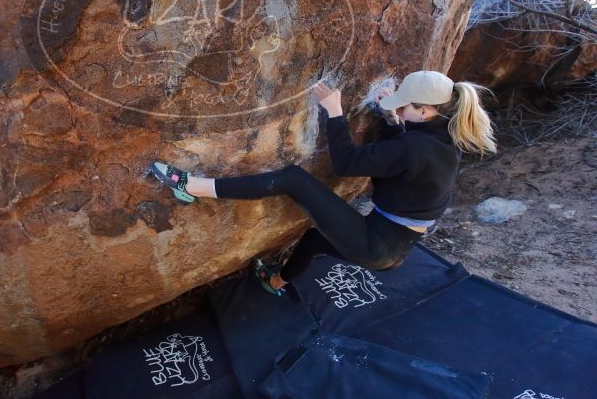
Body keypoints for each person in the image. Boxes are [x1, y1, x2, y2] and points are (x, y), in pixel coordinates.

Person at [150, 70, 497, 296]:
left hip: (377, 244)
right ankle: (276, 282)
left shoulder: (415, 146)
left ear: (425, 111)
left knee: (293, 179)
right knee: (315, 236)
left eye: (404, 106)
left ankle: (192, 187)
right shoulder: (448, 137)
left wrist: (334, 111)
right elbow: (405, 163)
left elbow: (347, 164)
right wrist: (393, 120)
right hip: (394, 247)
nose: (399, 109)